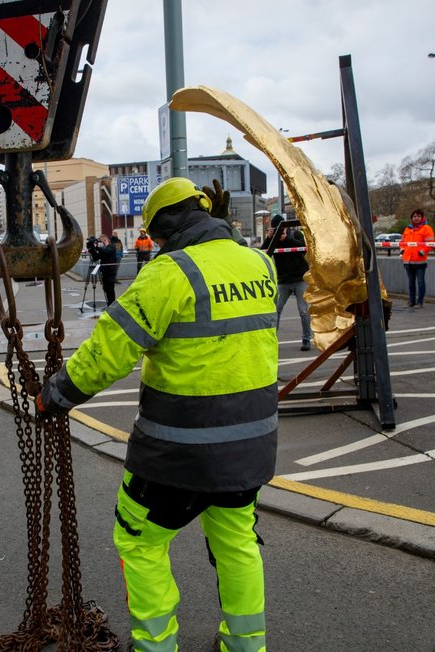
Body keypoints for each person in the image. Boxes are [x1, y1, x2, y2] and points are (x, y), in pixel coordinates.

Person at [36, 177, 278, 652]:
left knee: (139, 540)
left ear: (163, 229)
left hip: (179, 452)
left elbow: (109, 351)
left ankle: (156, 646)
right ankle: (246, 646)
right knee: (236, 542)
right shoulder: (260, 263)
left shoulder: (169, 273)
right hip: (250, 447)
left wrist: (56, 396)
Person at [265, 214, 312, 350]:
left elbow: (302, 248)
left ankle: (306, 339)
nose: (280, 233)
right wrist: (269, 238)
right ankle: (272, 339)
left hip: (299, 279)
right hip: (283, 280)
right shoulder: (273, 239)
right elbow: (263, 252)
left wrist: (287, 239)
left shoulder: (296, 234)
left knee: (303, 311)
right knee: (276, 309)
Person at [401, 208, 434, 308]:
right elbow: (402, 242)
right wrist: (402, 249)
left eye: (419, 216)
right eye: (415, 216)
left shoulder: (426, 229)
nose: (416, 218)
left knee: (420, 282)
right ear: (412, 218)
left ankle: (420, 302)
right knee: (411, 283)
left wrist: (423, 251)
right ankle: (411, 301)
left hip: (419, 260)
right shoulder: (407, 229)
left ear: (422, 217)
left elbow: (430, 243)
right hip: (408, 260)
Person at [87, 234, 117, 305]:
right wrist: (91, 250)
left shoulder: (111, 246)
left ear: (105, 239)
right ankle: (109, 303)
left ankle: (112, 304)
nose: (100, 242)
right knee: (106, 288)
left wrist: (96, 247)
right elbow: (96, 257)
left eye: (100, 241)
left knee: (110, 289)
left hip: (110, 272)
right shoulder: (103, 249)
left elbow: (106, 251)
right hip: (104, 272)